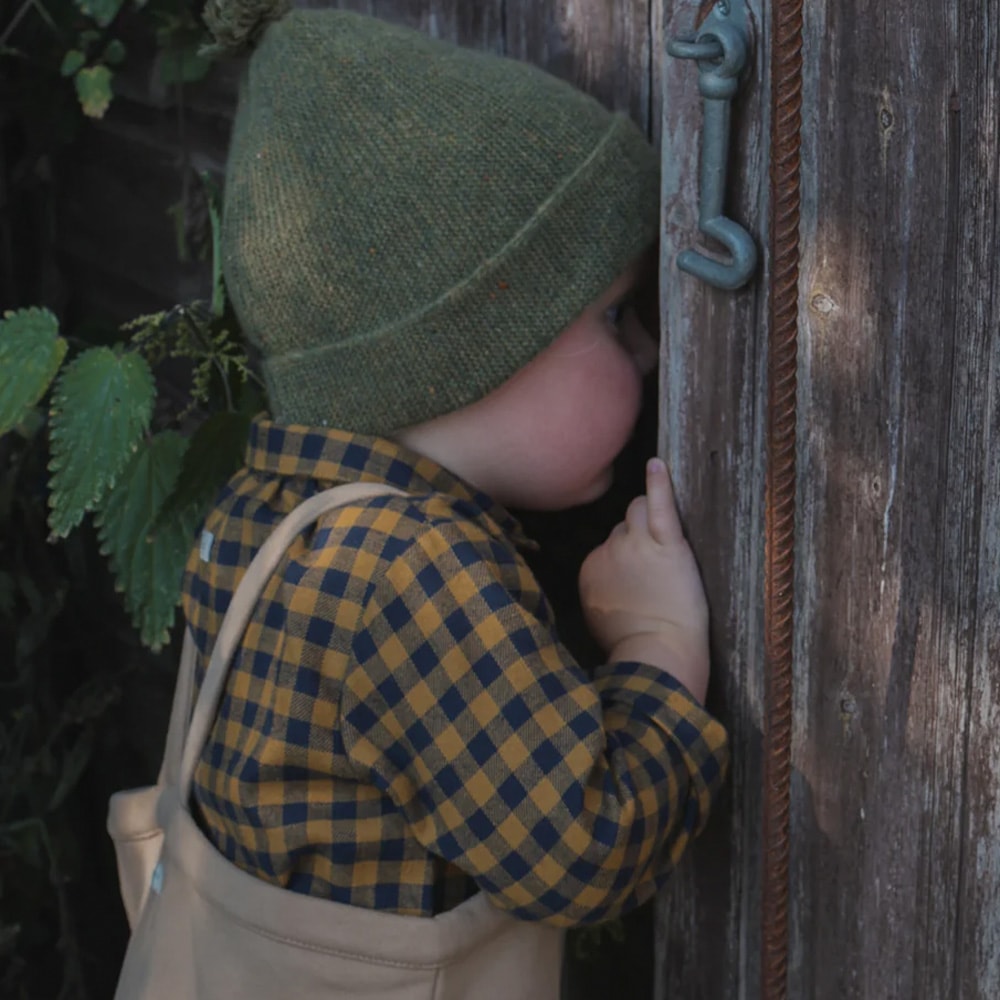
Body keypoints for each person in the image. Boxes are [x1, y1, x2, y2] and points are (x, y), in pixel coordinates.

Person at [182, 0, 729, 987]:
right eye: (611, 313)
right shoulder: (413, 573)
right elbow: (584, 849)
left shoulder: (264, 516)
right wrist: (656, 649)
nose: (647, 348)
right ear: (469, 349)